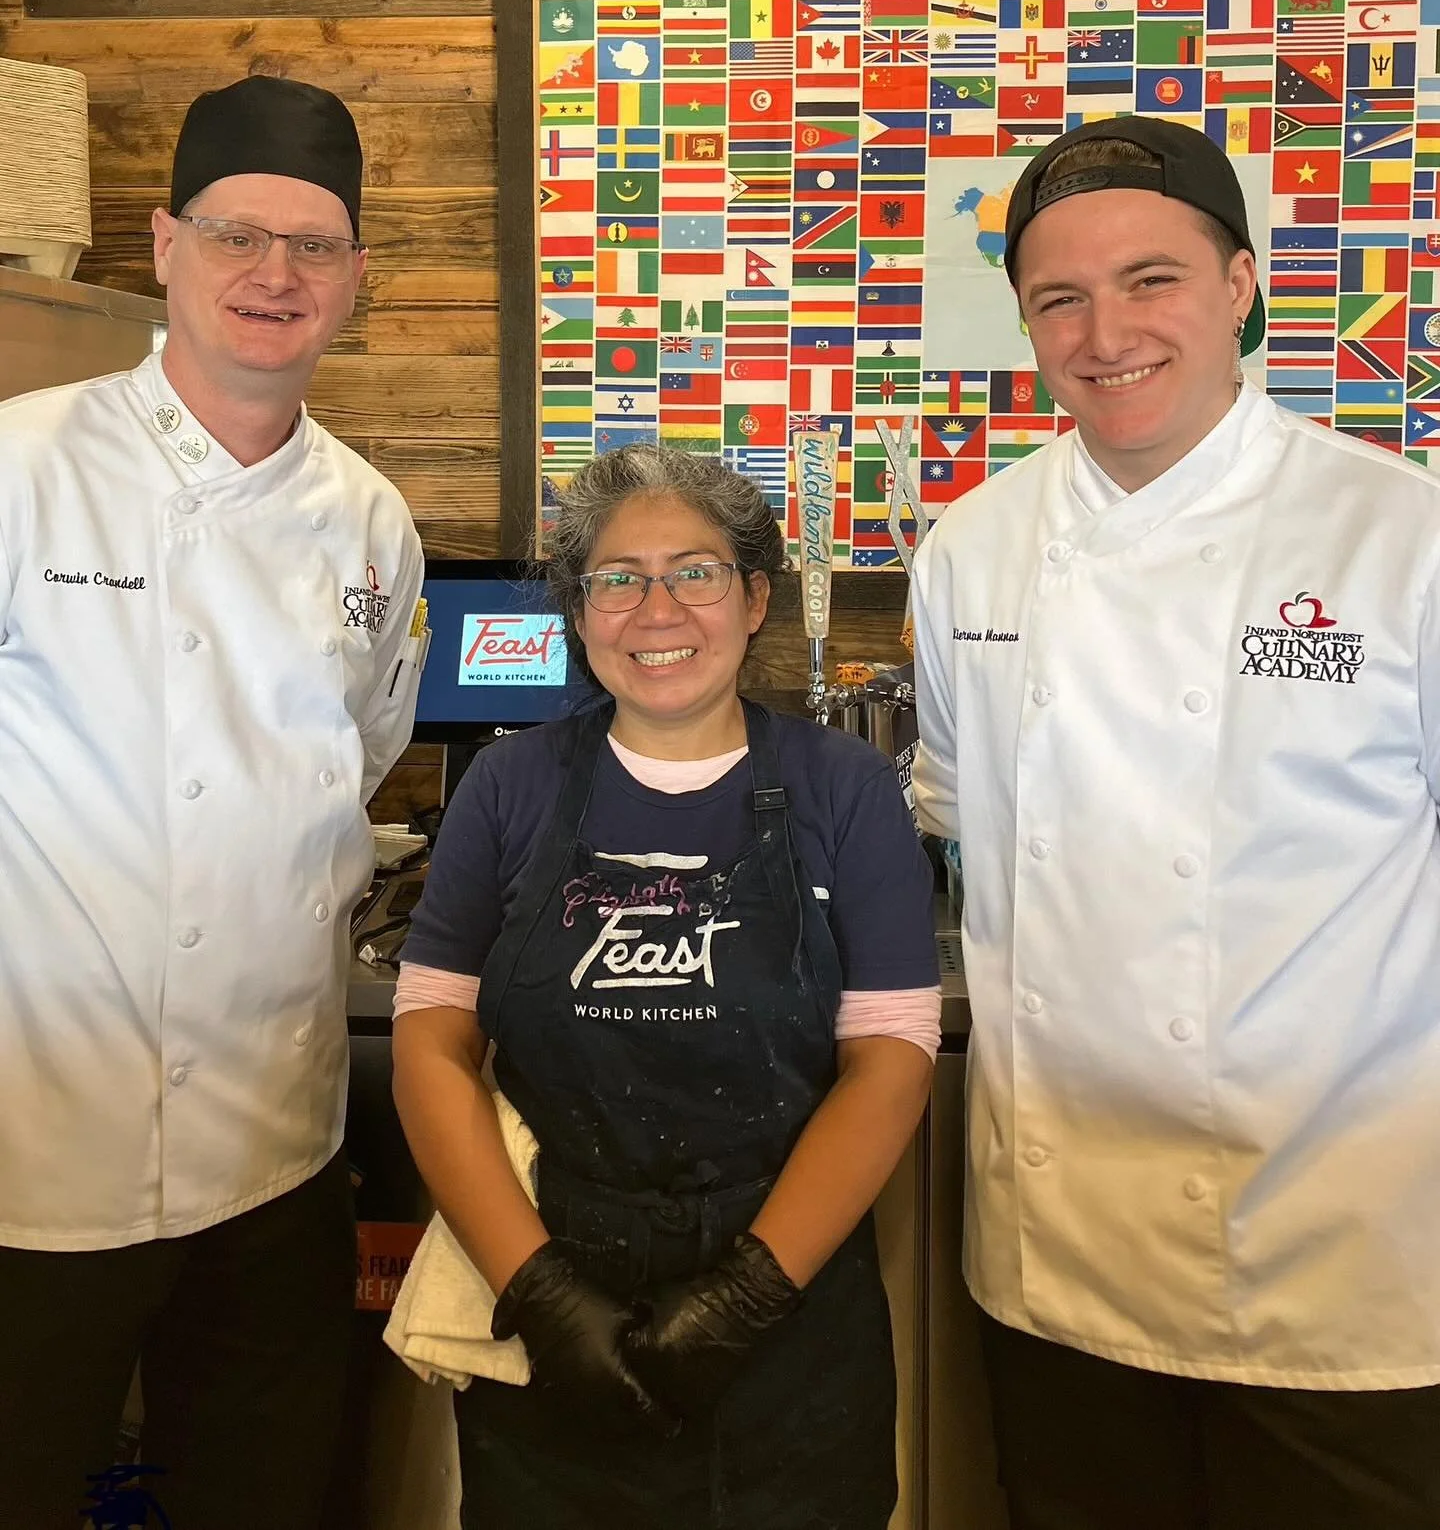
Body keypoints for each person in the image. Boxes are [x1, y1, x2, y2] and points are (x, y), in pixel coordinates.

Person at [910, 113, 1440, 1529]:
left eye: (1153, 278)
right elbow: (964, 819)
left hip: (1346, 1260)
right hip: (1060, 1265)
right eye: (1059, 299)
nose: (1106, 332)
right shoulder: (971, 549)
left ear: (1243, 284)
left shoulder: (1402, 539)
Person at [0, 74, 424, 1529]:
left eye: (314, 248)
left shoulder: (370, 516)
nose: (275, 274)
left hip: (272, 1152)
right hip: (31, 1154)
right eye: (240, 235)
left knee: (263, 1496)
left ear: (355, 280)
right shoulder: (24, 467)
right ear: (166, 245)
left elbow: (357, 761)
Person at [391, 444, 939, 1529]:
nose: (657, 610)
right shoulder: (511, 784)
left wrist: (747, 1295)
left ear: (753, 599)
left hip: (789, 1305)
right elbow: (430, 1044)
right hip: (549, 1280)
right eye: (616, 579)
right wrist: (538, 1292)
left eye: (694, 572)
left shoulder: (848, 787)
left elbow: (889, 1062)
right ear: (578, 609)